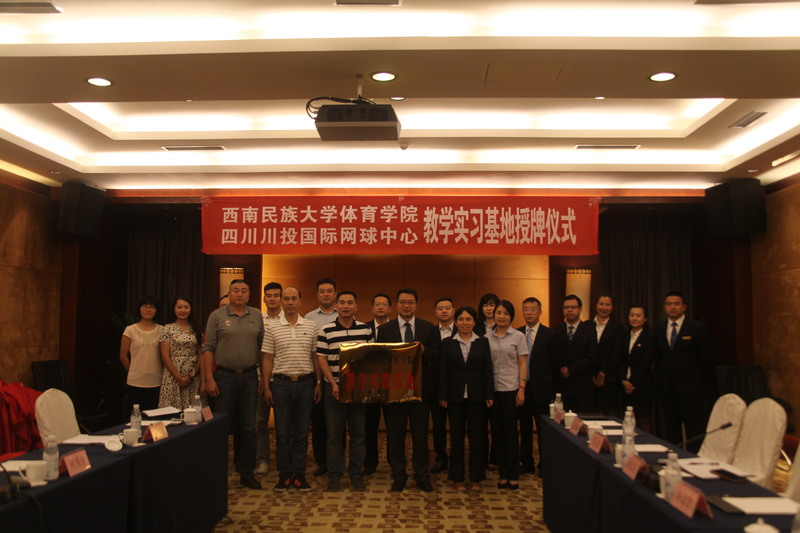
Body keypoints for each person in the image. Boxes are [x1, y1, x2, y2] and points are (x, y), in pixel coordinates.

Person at [203, 279, 265, 490]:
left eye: (244, 291)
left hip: (250, 377)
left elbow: (262, 349)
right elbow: (208, 348)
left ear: (249, 294)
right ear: (229, 294)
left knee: (249, 427)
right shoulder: (217, 315)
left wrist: (263, 378)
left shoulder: (256, 315)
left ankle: (247, 473)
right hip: (224, 377)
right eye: (235, 290)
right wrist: (209, 379)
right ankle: (216, 473)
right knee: (221, 426)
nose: (239, 294)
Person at [376, 288, 438, 492]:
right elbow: (380, 359)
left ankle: (422, 476)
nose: (406, 306)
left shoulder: (428, 327)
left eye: (410, 302)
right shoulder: (385, 329)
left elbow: (436, 355)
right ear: (396, 305)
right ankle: (399, 475)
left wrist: (424, 351)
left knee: (420, 437)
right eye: (402, 302)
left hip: (420, 392)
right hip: (395, 392)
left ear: (416, 305)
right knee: (395, 436)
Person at [262, 286, 322, 492]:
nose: (289, 302)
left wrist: (319, 383)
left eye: (293, 298)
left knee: (301, 433)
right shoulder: (272, 327)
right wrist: (266, 386)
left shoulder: (311, 326)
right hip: (281, 385)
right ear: (281, 301)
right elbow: (267, 358)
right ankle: (284, 474)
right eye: (286, 298)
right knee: (282, 433)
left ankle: (299, 474)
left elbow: (316, 357)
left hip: (306, 384)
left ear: (299, 301)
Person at [317, 290, 373, 491]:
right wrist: (333, 384)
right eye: (342, 302)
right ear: (336, 306)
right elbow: (322, 359)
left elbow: (371, 359)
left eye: (350, 302)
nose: (346, 306)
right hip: (334, 389)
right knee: (334, 436)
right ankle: (335, 475)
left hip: (358, 390)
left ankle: (356, 474)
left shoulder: (366, 330)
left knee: (358, 435)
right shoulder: (326, 330)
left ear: (356, 306)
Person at [439, 306, 494, 491]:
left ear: (474, 322)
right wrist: (443, 395)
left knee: (477, 439)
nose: (464, 323)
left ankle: (476, 477)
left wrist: (489, 394)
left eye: (468, 319)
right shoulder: (448, 343)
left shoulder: (483, 342)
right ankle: (458, 477)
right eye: (461, 319)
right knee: (456, 439)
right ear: (456, 322)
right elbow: (443, 371)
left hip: (477, 397)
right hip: (454, 397)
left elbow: (488, 370)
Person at [654, 291, 710, 452]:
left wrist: (701, 385)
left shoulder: (696, 328)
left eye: (676, 304)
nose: (672, 307)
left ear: (684, 307)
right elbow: (657, 358)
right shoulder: (659, 328)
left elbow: (705, 359)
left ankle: (693, 459)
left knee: (694, 428)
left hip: (690, 388)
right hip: (667, 387)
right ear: (664, 307)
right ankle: (675, 458)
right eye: (669, 304)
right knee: (672, 428)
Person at [486, 300, 527, 490]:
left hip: (512, 390)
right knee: (497, 434)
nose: (501, 316)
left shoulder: (518, 336)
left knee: (511, 433)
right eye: (498, 313)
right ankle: (502, 474)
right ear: (493, 315)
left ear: (511, 316)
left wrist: (522, 388)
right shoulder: (486, 337)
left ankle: (514, 473)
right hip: (493, 391)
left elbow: (522, 363)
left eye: (505, 313)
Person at [304, 277, 337, 477]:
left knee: (337, 423)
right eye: (322, 291)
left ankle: (336, 460)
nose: (326, 294)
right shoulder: (308, 318)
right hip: (316, 376)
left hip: (338, 377)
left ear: (335, 293)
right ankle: (321, 461)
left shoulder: (343, 314)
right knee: (318, 422)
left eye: (329, 291)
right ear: (317, 294)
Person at [517, 296, 552, 474]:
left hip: (543, 389)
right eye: (526, 309)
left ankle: (545, 463)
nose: (529, 313)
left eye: (533, 309)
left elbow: (554, 364)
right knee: (524, 429)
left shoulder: (549, 334)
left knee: (544, 429)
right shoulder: (516, 333)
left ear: (540, 311)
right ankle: (526, 462)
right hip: (522, 388)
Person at [550, 294, 598, 413]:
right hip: (561, 386)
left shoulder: (590, 331)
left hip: (582, 386)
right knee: (560, 421)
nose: (569, 310)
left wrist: (571, 370)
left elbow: (592, 358)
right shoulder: (555, 331)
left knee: (583, 421)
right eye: (566, 307)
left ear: (580, 309)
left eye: (573, 307)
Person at [364, 292, 392, 476]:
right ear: (372, 308)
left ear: (390, 308)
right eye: (377, 304)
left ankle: (394, 462)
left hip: (391, 384)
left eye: (384, 304)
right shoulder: (363, 328)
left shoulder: (397, 328)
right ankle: (369, 462)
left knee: (393, 426)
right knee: (369, 426)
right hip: (369, 385)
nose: (380, 307)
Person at [119, 295, 163, 412]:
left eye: (151, 307)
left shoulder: (162, 330)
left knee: (153, 416)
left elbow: (165, 355)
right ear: (139, 309)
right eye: (145, 306)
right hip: (135, 382)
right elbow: (123, 356)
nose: (148, 309)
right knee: (135, 416)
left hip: (156, 382)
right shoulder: (130, 330)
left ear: (156, 310)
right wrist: (133, 371)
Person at [256, 282, 283, 476]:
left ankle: (284, 459)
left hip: (282, 379)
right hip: (260, 379)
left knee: (284, 423)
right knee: (259, 421)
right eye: (269, 295)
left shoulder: (289, 319)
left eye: (276, 295)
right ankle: (263, 459)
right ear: (264, 298)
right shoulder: (257, 320)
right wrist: (261, 377)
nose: (272, 299)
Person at [158, 296, 201, 410]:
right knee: (170, 411)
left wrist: (191, 376)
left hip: (192, 376)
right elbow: (165, 356)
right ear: (174, 309)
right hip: (172, 375)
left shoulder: (196, 328)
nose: (183, 310)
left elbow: (201, 355)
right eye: (179, 307)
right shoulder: (167, 328)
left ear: (191, 309)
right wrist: (179, 378)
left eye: (186, 307)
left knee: (193, 411)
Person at [618, 305, 654, 432]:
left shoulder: (649, 336)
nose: (634, 318)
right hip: (625, 385)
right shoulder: (624, 336)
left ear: (645, 319)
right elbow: (620, 360)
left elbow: (646, 362)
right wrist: (623, 380)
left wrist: (632, 382)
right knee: (628, 420)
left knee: (643, 420)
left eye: (638, 316)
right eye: (632, 315)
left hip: (642, 385)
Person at [431, 297, 455, 474]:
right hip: (436, 386)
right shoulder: (429, 331)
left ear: (453, 310)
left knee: (457, 425)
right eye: (440, 308)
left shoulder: (463, 329)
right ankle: (441, 457)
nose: (444, 311)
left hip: (458, 386)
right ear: (435, 312)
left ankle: (457, 457)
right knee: (438, 426)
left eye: (447, 308)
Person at [592, 294, 624, 416]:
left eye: (607, 305)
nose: (604, 308)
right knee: (591, 413)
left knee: (610, 413)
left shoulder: (617, 327)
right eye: (601, 304)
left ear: (612, 307)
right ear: (596, 305)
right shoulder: (587, 325)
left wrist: (603, 372)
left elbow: (617, 352)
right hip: (590, 377)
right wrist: (592, 373)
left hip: (610, 377)